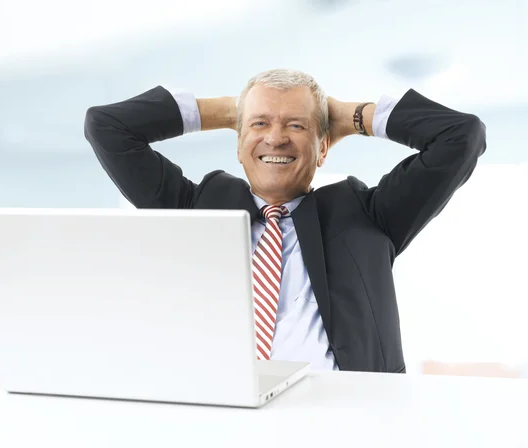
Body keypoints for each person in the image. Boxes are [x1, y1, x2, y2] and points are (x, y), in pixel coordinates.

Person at [84, 68, 486, 373]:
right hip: (221, 424)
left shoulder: (369, 214)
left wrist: (352, 116)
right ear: (239, 146)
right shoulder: (196, 209)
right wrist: (227, 111)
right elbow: (108, 128)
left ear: (323, 147)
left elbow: (461, 136)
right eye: (259, 124)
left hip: (349, 427)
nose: (276, 138)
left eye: (297, 125)